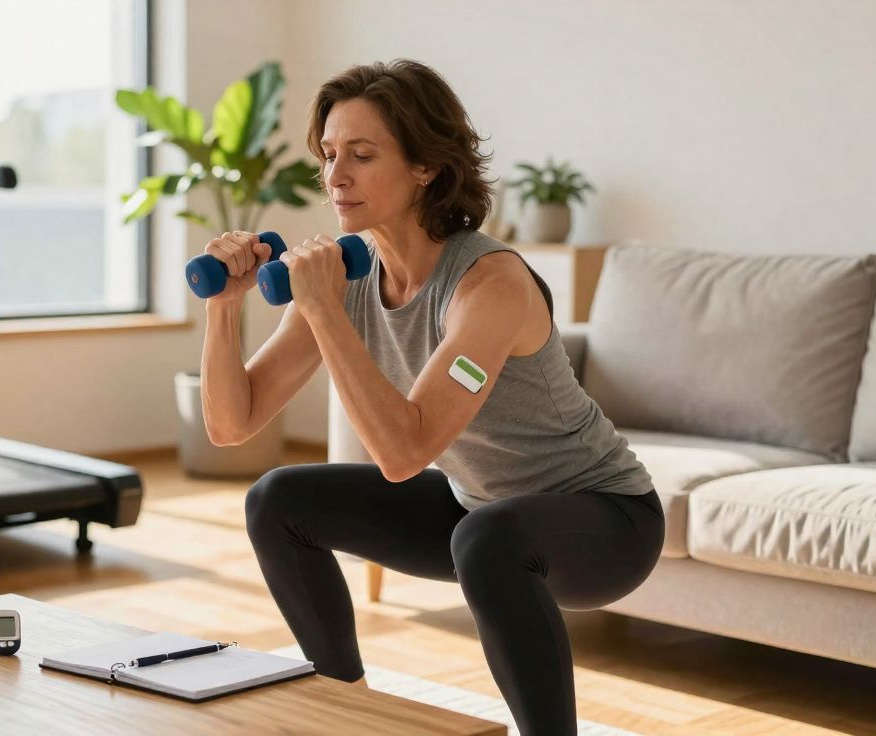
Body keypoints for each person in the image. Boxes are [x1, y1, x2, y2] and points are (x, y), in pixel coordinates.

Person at [198, 59, 664, 736]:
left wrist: (325, 310)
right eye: (329, 155)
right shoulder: (352, 276)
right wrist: (223, 308)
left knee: (488, 539)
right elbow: (230, 423)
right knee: (278, 500)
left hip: (607, 520)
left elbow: (404, 451)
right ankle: (346, 708)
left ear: (425, 167)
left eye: (362, 154)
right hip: (477, 509)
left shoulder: (489, 284)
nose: (336, 176)